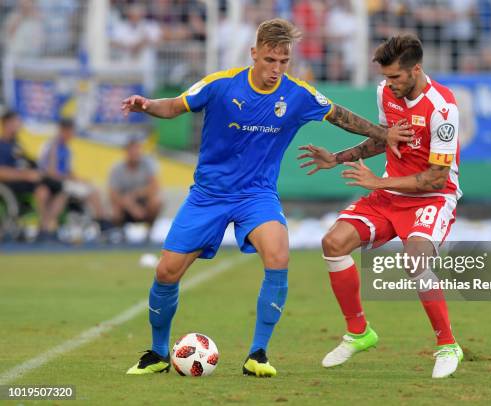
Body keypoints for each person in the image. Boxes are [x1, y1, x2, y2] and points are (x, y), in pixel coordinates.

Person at [121, 19, 411, 377]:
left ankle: (258, 354)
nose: (276, 69)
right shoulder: (220, 84)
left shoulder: (297, 94)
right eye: (270, 60)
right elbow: (176, 106)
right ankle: (159, 353)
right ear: (254, 53)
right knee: (166, 272)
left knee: (278, 255)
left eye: (283, 61)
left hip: (256, 195)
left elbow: (340, 116)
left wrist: (384, 133)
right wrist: (146, 104)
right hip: (209, 194)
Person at [298, 34, 463, 378]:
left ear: (416, 70)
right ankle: (359, 332)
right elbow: (385, 139)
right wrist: (338, 158)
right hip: (389, 194)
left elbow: (435, 178)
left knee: (414, 260)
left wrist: (378, 182)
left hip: (432, 197)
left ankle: (448, 345)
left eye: (395, 77)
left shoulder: (443, 108)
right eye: (386, 77)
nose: (389, 84)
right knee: (333, 243)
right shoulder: (385, 93)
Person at [39, 118, 113, 233]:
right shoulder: (51, 146)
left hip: (63, 182)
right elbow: (50, 172)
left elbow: (68, 171)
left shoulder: (67, 149)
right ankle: (102, 222)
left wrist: (80, 179)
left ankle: (101, 220)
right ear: (63, 130)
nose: (71, 135)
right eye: (70, 131)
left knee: (92, 187)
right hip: (54, 182)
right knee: (93, 192)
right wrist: (69, 178)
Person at [0, 110, 60, 239]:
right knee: (42, 190)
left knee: (60, 187)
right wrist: (25, 175)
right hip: (11, 183)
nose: (19, 125)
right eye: (16, 121)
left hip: (28, 179)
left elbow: (31, 164)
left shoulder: (17, 144)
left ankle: (47, 225)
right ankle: (44, 229)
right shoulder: (2, 145)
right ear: (6, 123)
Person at [108, 139, 162, 229]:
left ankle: (149, 232)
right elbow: (113, 194)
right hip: (124, 203)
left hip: (142, 201)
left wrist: (135, 195)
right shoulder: (117, 168)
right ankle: (118, 233)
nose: (136, 153)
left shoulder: (147, 165)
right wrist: (130, 206)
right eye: (132, 150)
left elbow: (155, 186)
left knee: (156, 201)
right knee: (114, 210)